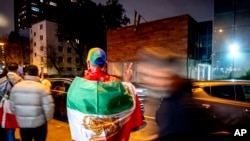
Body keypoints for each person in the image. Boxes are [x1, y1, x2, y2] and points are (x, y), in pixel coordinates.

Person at [135, 47, 228, 141]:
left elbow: (171, 134)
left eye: (149, 75)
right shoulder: (174, 94)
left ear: (165, 72)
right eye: (143, 75)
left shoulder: (178, 108)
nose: (145, 81)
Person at [67, 47, 143, 141]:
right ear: (105, 64)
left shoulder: (76, 87)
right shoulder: (116, 86)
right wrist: (127, 81)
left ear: (88, 63)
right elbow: (130, 100)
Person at [9, 65, 55, 141]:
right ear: (37, 74)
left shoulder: (16, 87)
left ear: (25, 74)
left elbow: (12, 108)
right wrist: (47, 119)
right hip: (40, 124)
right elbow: (49, 107)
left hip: (23, 124)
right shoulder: (43, 88)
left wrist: (21, 116)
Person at [0, 62, 22, 141]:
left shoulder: (2, 79)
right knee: (12, 127)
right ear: (16, 70)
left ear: (8, 69)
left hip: (4, 106)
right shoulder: (20, 80)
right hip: (16, 106)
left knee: (7, 126)